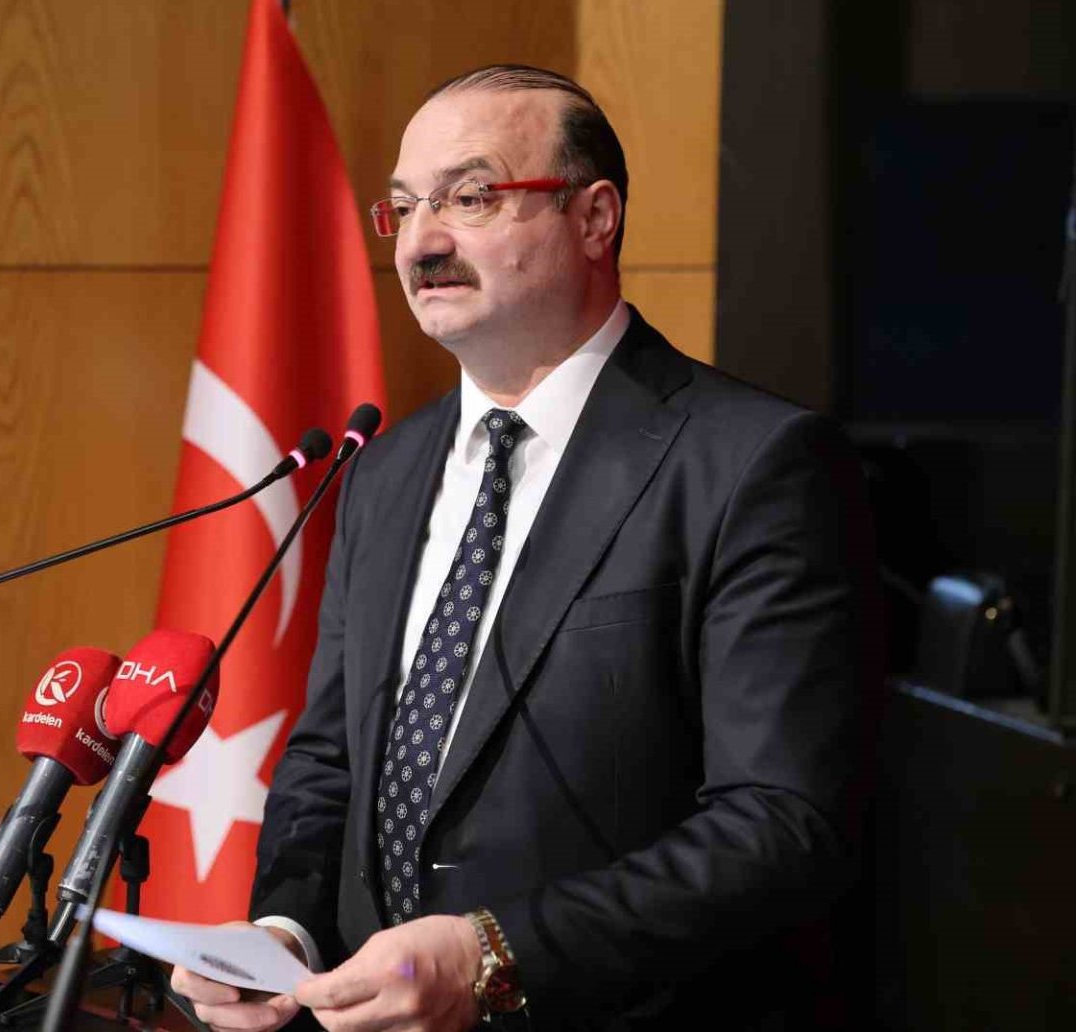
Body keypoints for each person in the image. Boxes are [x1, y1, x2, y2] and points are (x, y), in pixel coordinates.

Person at [172, 65, 875, 1031]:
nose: (422, 241)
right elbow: (331, 758)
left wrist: (498, 956)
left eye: (470, 197)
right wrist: (284, 933)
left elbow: (782, 822)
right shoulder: (383, 470)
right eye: (404, 207)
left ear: (595, 218)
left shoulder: (753, 464)